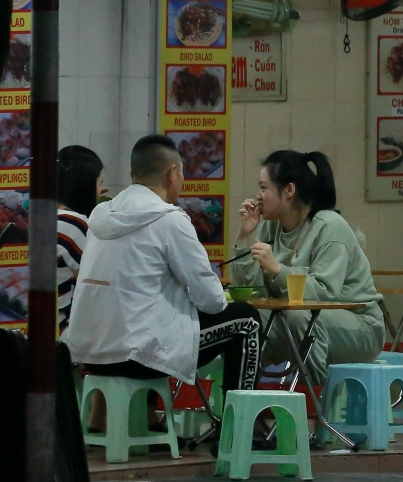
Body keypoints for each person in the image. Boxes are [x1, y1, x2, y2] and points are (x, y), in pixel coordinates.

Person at [66, 134, 260, 397]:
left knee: (150, 317)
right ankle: (240, 428)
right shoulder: (170, 220)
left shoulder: (101, 216)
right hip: (138, 356)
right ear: (172, 173)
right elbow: (212, 300)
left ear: (132, 171)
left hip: (90, 353)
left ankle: (147, 421)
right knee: (247, 319)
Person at [227, 150, 384, 385]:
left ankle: (317, 402)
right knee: (243, 319)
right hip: (297, 319)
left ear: (289, 190)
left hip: (361, 327)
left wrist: (278, 270)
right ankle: (247, 405)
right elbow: (252, 289)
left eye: (264, 188)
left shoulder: (329, 226)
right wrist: (244, 236)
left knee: (300, 317)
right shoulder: (272, 228)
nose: (258, 197)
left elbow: (325, 293)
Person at [56, 145, 105, 334]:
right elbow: (97, 282)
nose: (100, 191)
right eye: (99, 183)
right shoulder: (74, 224)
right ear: (85, 185)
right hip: (67, 337)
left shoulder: (45, 217)